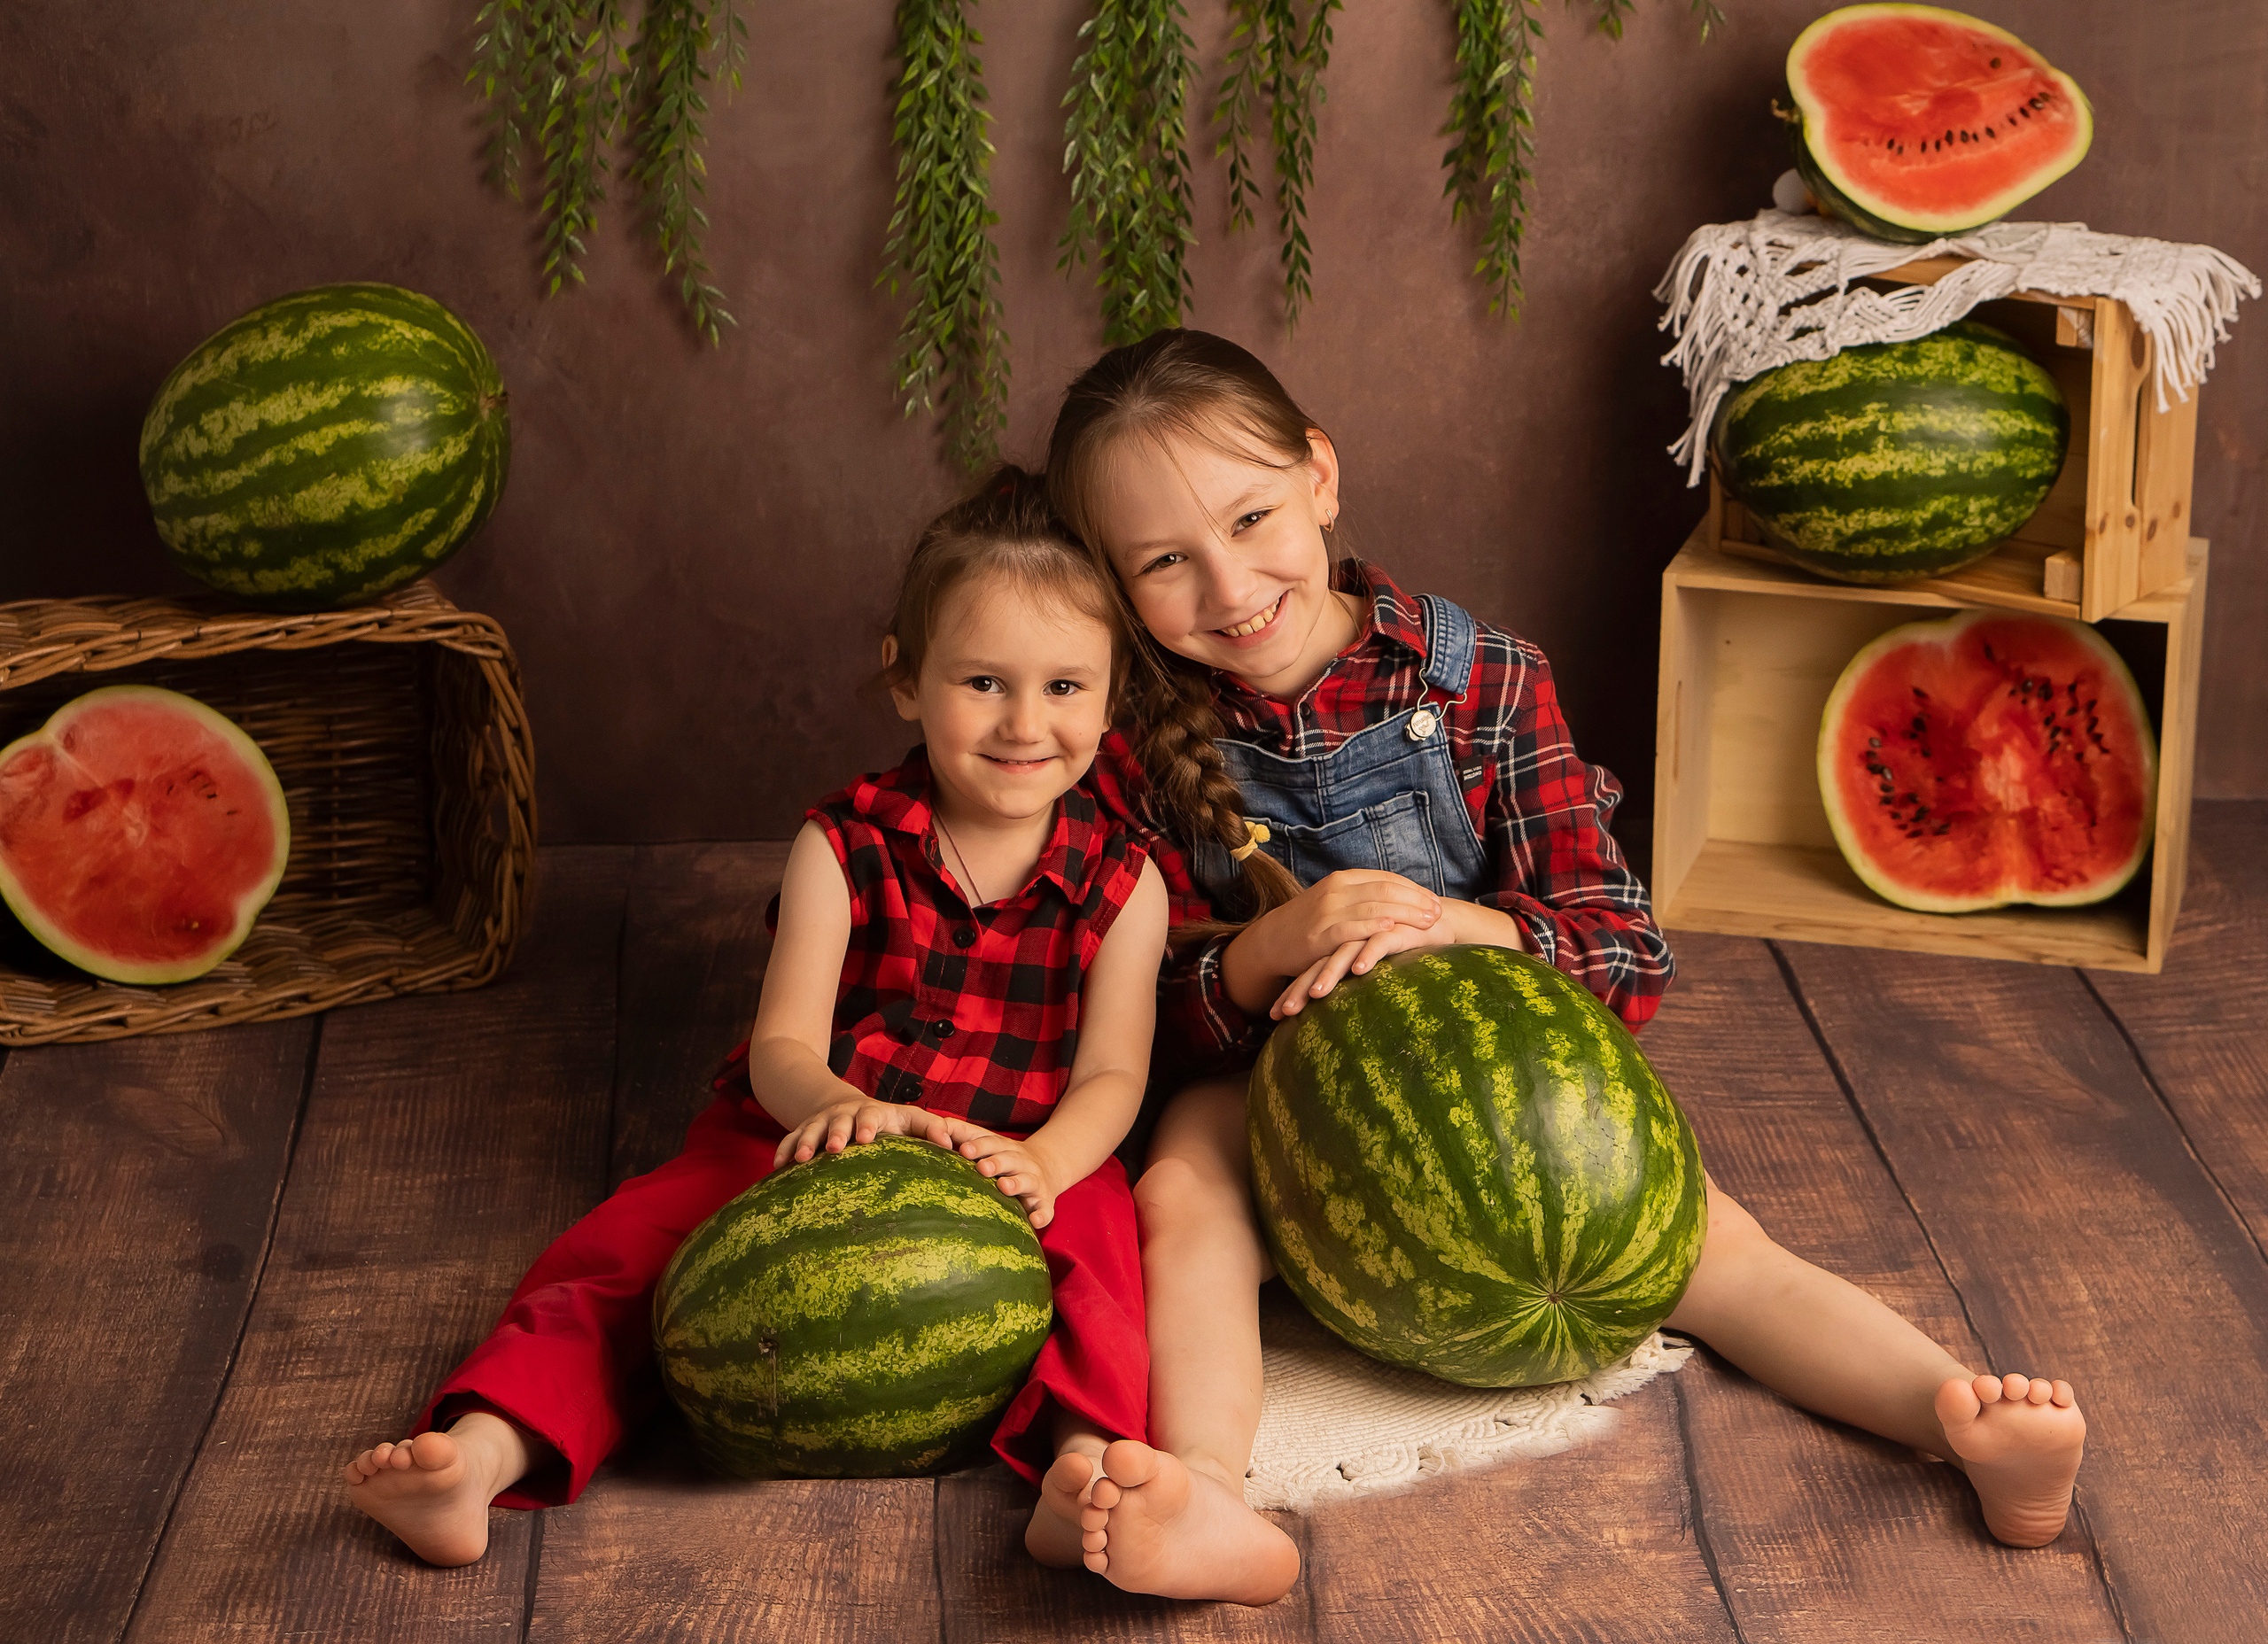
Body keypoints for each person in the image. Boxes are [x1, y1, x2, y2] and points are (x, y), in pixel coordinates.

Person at [1039, 329, 2087, 1606]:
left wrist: (1457, 926)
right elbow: (1122, 1019)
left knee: (1716, 1249)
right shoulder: (1120, 733)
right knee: (1182, 1194)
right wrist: (1257, 957)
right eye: (1163, 561)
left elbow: (1623, 952)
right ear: (1111, 580)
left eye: (1251, 516)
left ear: (1318, 474)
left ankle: (1956, 1415)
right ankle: (1207, 1486)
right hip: (1260, 1080)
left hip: (1505, 1086)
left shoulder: (1481, 679)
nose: (1227, 583)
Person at [344, 467, 1170, 1575]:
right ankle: (483, 1452)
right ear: (905, 678)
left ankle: (1083, 1468)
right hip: (805, 1132)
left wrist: (1048, 1162)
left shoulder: (1125, 881)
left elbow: (1114, 1075)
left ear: (1112, 699)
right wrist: (836, 1107)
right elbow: (782, 1043)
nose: (1026, 722)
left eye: (1065, 685)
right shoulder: (840, 844)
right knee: (624, 1254)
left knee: (1106, 1271)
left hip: (1022, 1145)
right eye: (983, 681)